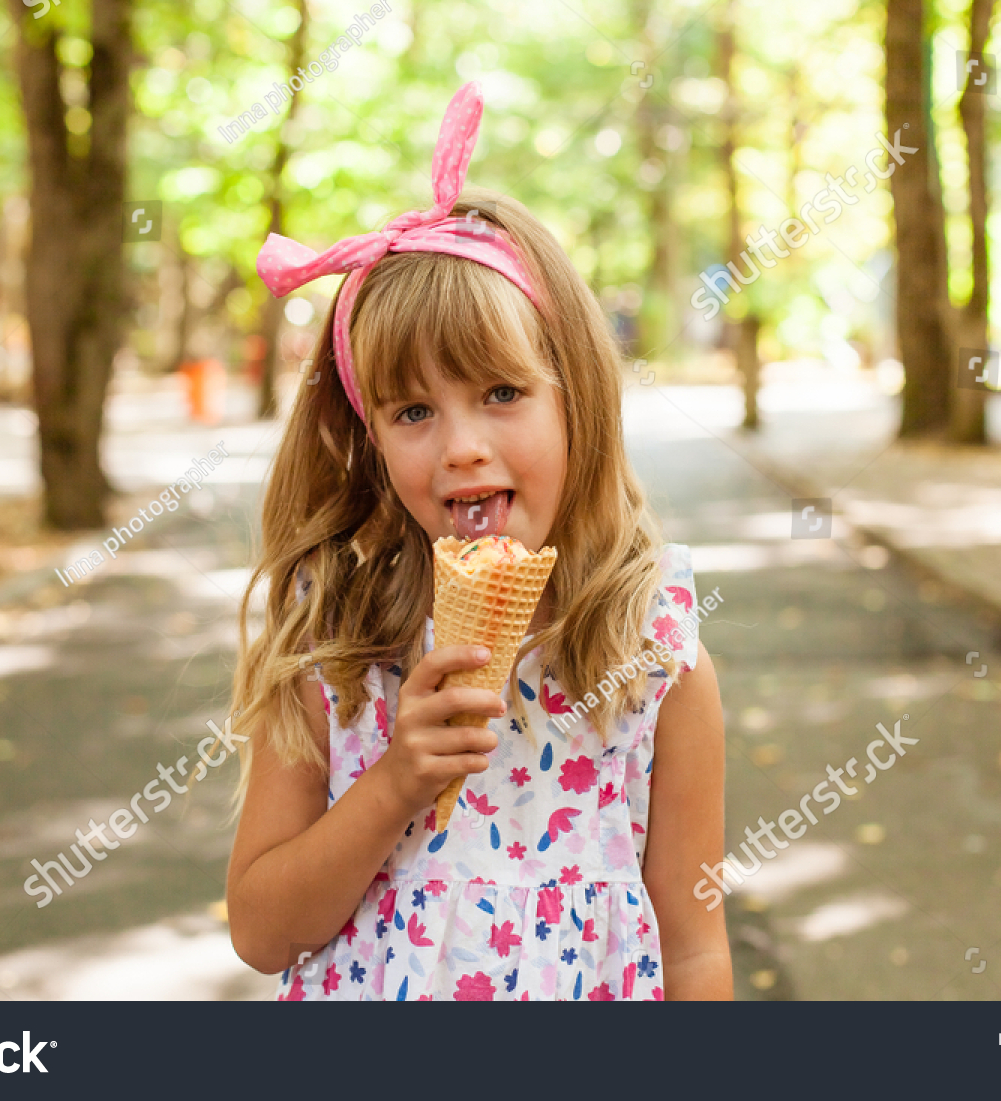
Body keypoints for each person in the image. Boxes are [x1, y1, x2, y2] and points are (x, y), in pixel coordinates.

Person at [225, 82, 731, 1001]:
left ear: (575, 394)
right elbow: (262, 931)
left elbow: (694, 945)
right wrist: (394, 783)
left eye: (501, 393)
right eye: (414, 409)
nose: (462, 445)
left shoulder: (656, 652)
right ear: (372, 437)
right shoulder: (331, 646)